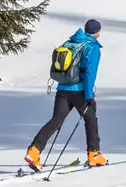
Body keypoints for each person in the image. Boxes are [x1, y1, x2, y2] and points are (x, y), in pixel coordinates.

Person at [25, 19, 106, 171]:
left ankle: (34, 151)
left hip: (63, 89)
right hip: (80, 91)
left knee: (56, 120)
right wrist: (89, 95)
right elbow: (90, 73)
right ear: (96, 32)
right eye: (99, 31)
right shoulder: (92, 48)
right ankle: (94, 154)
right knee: (90, 120)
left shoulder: (70, 43)